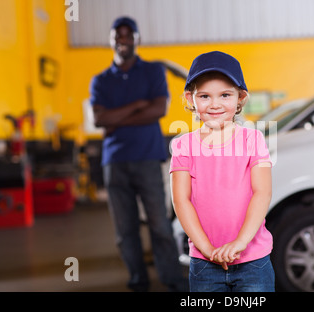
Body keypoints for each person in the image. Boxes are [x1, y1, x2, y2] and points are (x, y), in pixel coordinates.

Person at [89, 16, 187, 292]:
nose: (123, 39)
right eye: (117, 35)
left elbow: (159, 110)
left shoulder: (153, 71)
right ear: (111, 40)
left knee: (159, 224)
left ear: (137, 38)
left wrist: (115, 119)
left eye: (128, 34)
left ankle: (173, 280)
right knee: (125, 230)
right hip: (114, 163)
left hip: (147, 158)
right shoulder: (100, 81)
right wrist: (139, 106)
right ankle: (138, 280)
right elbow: (98, 119)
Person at [169, 51, 275, 292]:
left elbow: (262, 193)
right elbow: (180, 200)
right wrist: (207, 250)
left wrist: (240, 243)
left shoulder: (253, 139)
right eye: (205, 96)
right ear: (190, 98)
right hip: (205, 264)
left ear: (240, 98)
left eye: (225, 95)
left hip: (253, 261)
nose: (215, 104)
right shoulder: (183, 145)